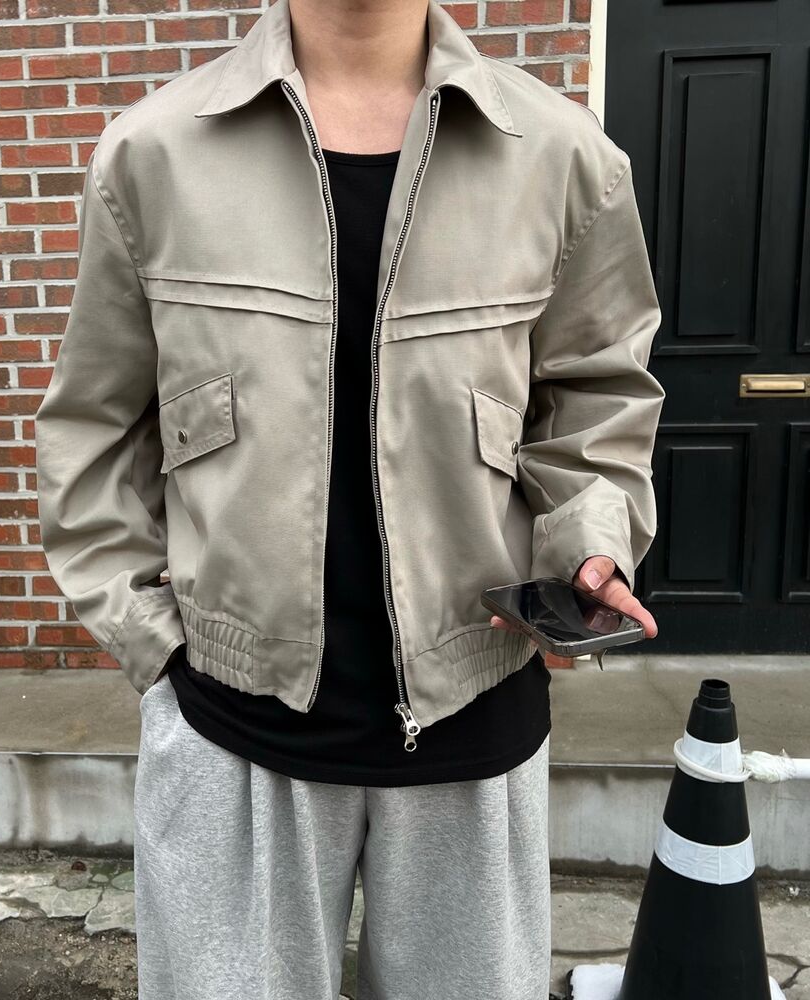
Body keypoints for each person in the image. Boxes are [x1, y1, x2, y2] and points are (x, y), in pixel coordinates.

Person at [34, 0, 664, 996]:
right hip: (231, 727)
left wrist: (585, 542)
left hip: (475, 717)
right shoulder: (152, 156)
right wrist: (154, 644)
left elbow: (597, 395)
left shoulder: (560, 155)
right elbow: (94, 425)